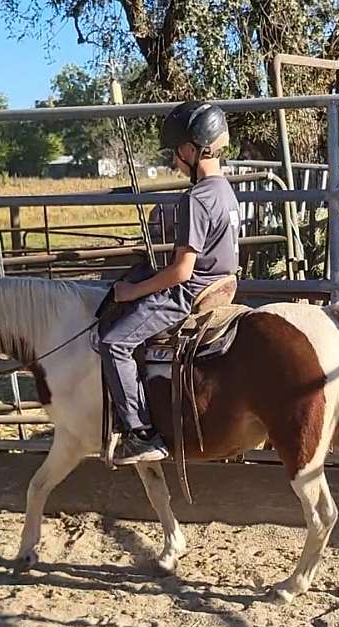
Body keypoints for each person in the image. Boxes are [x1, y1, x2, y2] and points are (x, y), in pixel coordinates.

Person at [99, 100, 241, 465]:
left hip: (189, 293)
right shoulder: (225, 191)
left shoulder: (196, 198)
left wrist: (130, 291)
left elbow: (181, 271)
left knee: (114, 342)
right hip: (222, 284)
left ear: (191, 150)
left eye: (176, 153)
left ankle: (139, 433)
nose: (175, 162)